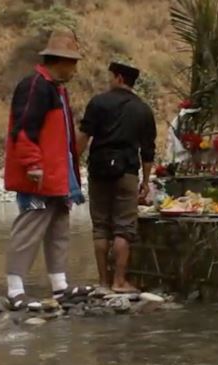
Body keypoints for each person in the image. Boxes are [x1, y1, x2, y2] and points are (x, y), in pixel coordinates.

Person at [3, 28, 91, 310]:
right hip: (40, 174)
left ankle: (60, 285)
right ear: (61, 61)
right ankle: (15, 288)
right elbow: (23, 127)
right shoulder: (34, 86)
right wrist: (33, 164)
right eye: (73, 63)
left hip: (57, 173)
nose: (76, 69)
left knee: (58, 227)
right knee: (30, 227)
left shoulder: (55, 89)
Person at [77, 61, 157, 293]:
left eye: (111, 76)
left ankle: (103, 282)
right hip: (126, 172)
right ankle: (119, 281)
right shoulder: (143, 109)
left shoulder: (98, 103)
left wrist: (72, 162)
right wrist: (145, 180)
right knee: (124, 228)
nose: (109, 81)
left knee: (101, 226)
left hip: (98, 171)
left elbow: (84, 137)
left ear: (120, 78)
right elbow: (148, 150)